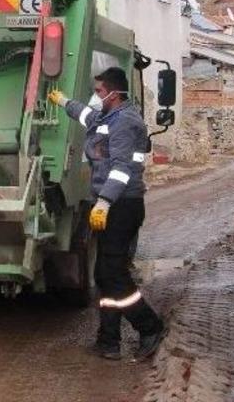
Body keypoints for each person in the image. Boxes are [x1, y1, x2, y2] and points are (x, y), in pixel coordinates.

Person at [48, 67, 165, 361]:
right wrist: (63, 102)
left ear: (114, 93)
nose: (96, 97)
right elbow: (86, 116)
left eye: (99, 92)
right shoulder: (105, 117)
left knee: (113, 273)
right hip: (112, 204)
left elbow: (122, 169)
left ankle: (149, 326)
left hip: (122, 205)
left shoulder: (125, 122)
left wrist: (104, 202)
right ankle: (108, 340)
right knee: (104, 274)